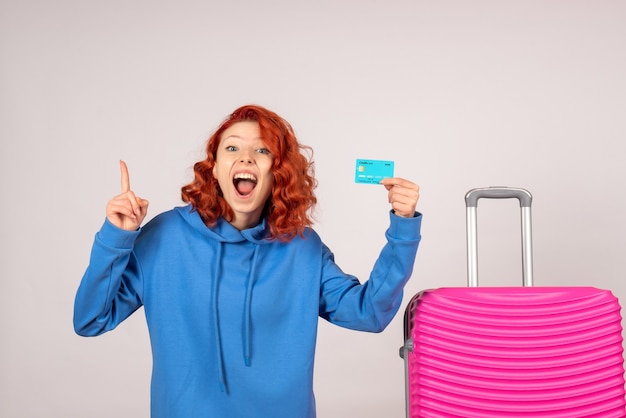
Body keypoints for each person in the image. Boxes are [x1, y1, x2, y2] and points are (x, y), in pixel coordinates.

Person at [73, 104, 422, 418]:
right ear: (214, 168)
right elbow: (90, 319)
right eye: (232, 148)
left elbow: (370, 313)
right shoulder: (165, 237)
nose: (246, 158)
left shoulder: (301, 247)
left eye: (262, 150)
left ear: (278, 172)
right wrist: (116, 238)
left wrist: (403, 228)